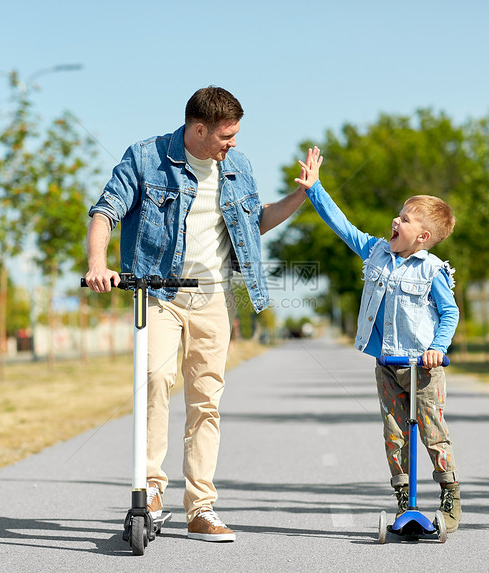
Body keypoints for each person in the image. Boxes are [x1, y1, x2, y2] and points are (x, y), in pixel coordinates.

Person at [84, 86, 307, 542]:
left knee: (206, 399)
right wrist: (97, 264)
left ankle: (201, 507)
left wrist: (301, 196)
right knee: (154, 383)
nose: (234, 144)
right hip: (159, 296)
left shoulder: (237, 166)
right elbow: (106, 212)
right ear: (198, 128)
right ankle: (149, 491)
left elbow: (255, 222)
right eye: (227, 135)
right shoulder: (146, 158)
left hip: (213, 299)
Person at [294, 147, 462, 533]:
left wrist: (438, 347)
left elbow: (449, 312)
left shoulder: (433, 270)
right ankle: (404, 501)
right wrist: (315, 189)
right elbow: (342, 225)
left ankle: (450, 494)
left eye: (404, 219)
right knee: (393, 433)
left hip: (423, 367)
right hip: (387, 363)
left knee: (433, 434)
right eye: (398, 214)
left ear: (422, 235)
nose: (395, 220)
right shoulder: (375, 252)